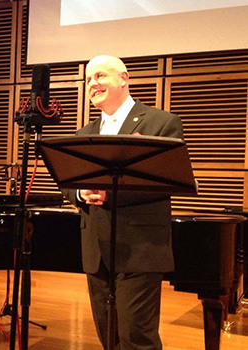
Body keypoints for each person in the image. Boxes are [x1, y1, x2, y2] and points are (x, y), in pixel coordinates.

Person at [62, 55, 184, 350]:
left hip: (140, 248)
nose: (93, 84)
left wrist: (108, 193)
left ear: (124, 79)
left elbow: (164, 181)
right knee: (108, 336)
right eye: (89, 79)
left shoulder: (161, 122)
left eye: (101, 76)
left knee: (136, 338)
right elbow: (67, 184)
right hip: (96, 250)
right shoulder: (84, 134)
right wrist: (81, 194)